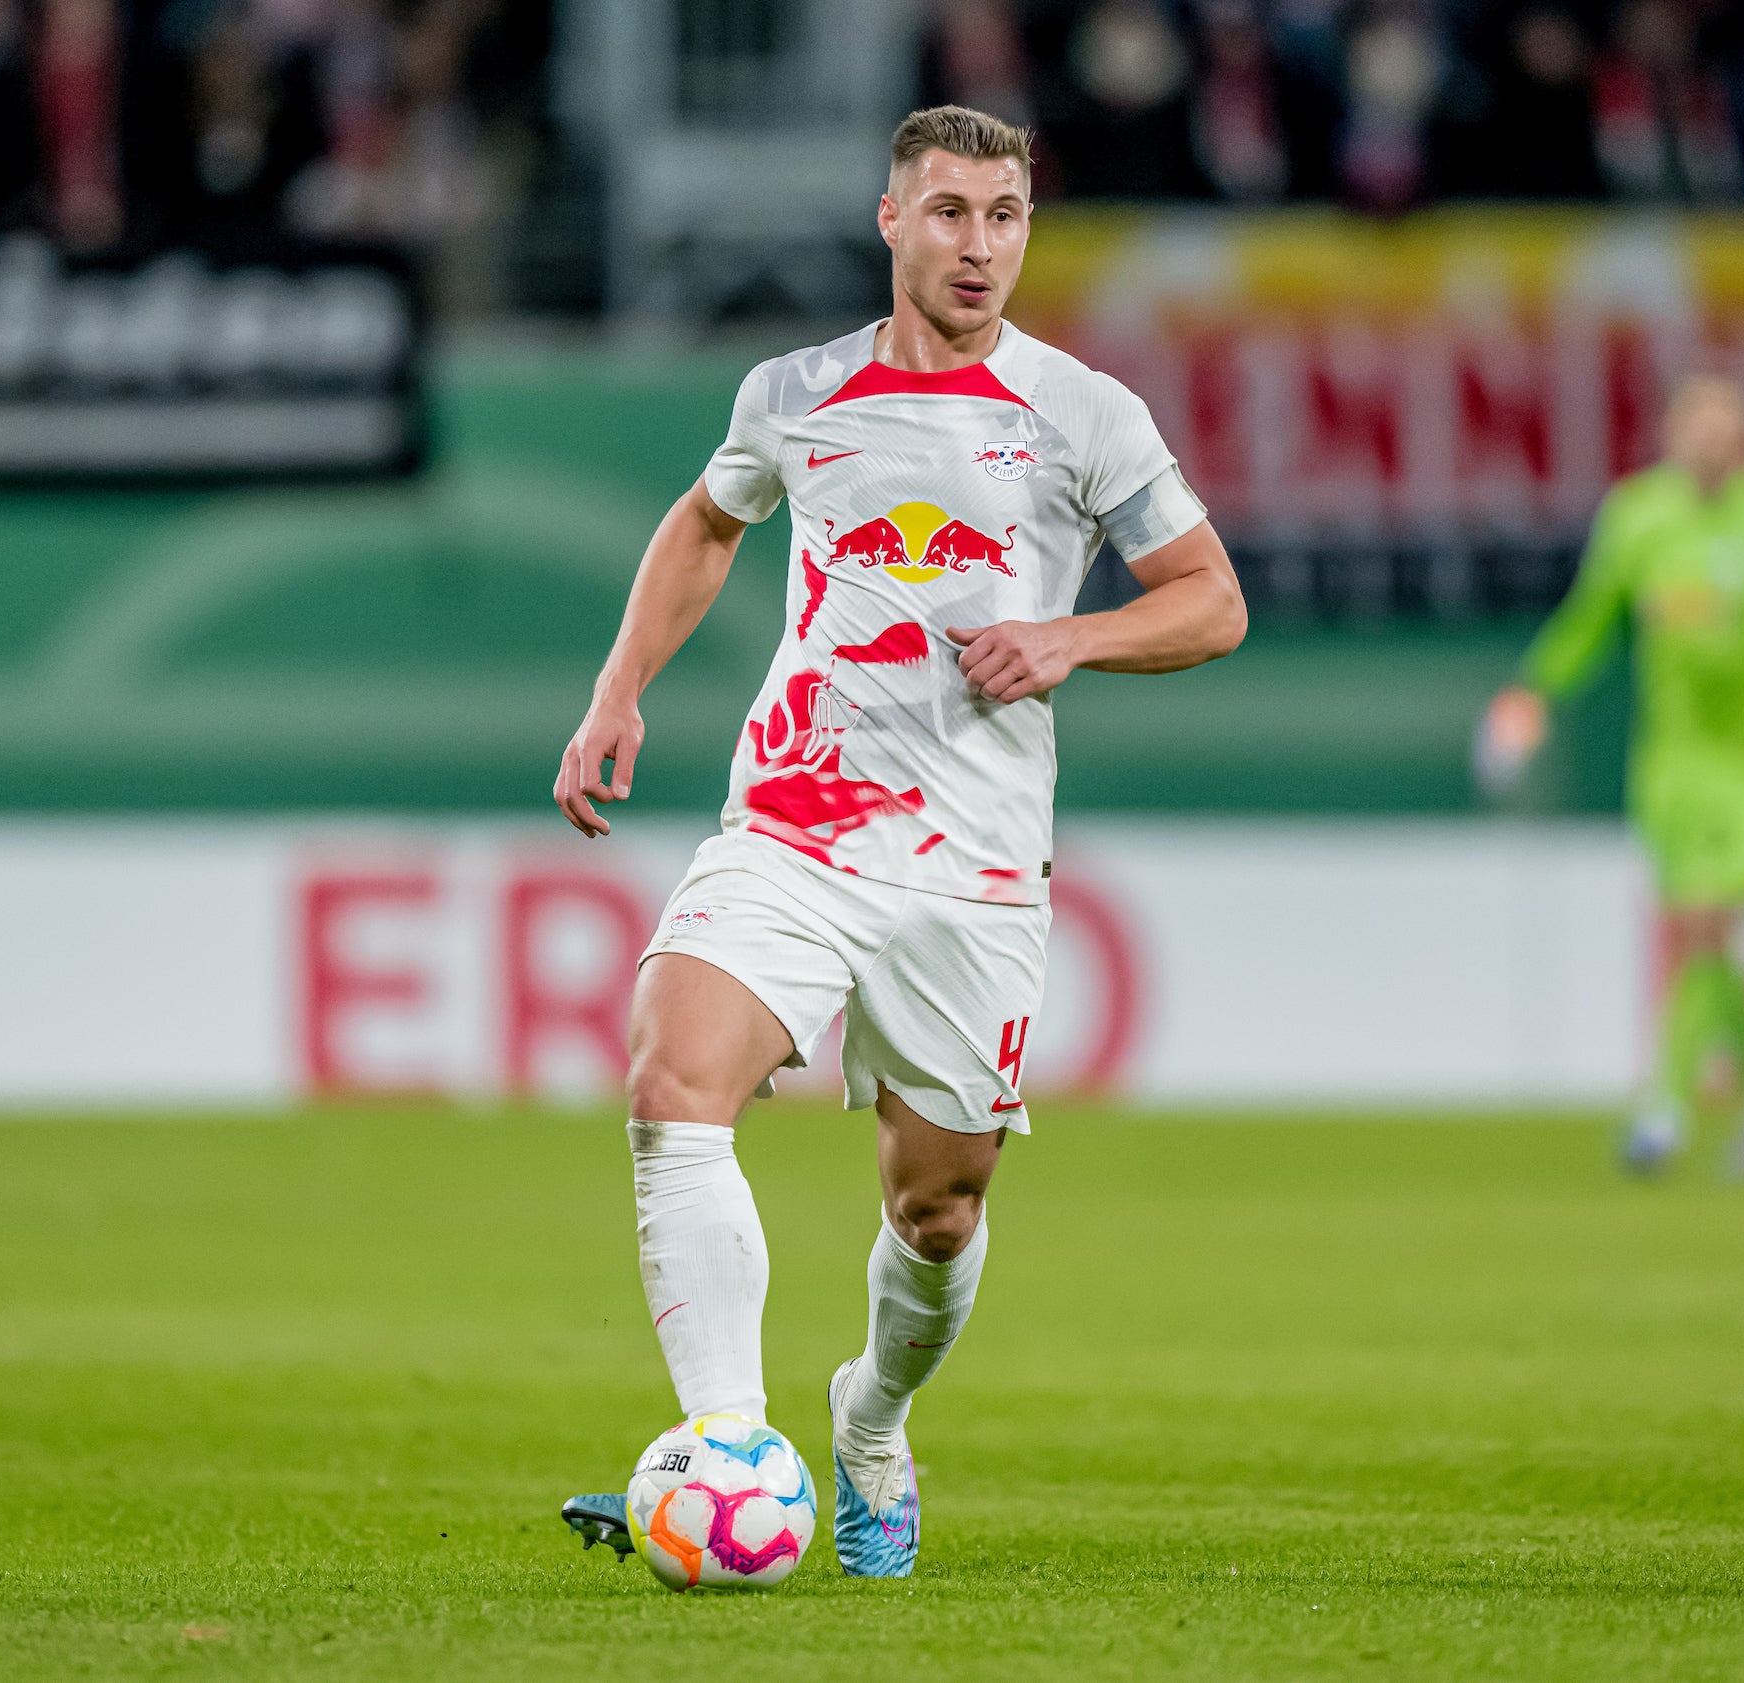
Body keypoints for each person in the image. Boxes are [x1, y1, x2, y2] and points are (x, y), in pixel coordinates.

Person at [552, 105, 1246, 1578]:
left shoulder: (1087, 414)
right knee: (675, 1072)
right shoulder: (797, 392)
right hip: (794, 820)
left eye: (1005, 216)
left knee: (937, 1203)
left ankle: (867, 1415)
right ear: (891, 220)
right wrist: (619, 689)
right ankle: (733, 1444)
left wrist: (1071, 636)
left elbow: (1211, 599)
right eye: (949, 212)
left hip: (976, 867)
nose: (979, 244)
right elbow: (704, 522)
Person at [1476, 374, 1744, 1178]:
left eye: (1724, 426)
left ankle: (1663, 1106)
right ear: (1672, 435)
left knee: (1706, 918)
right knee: (1704, 932)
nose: (1710, 441)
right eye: (1696, 426)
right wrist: (1529, 693)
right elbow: (1590, 620)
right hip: (1670, 764)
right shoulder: (1638, 520)